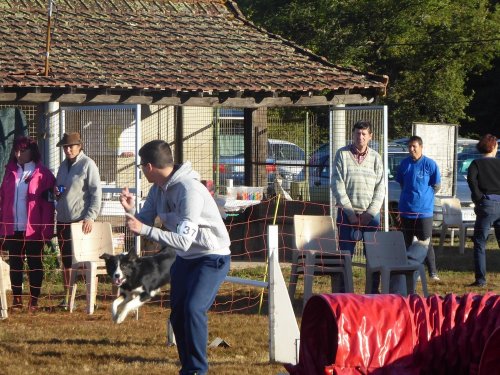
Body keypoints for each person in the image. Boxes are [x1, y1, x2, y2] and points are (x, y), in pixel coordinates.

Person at [120, 140, 231, 375]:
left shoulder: (189, 191)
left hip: (211, 257)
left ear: (149, 166)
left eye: (141, 166)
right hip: (185, 258)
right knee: (178, 314)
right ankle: (188, 368)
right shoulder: (157, 188)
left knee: (193, 309)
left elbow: (182, 240)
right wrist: (131, 211)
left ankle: (198, 370)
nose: (141, 170)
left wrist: (144, 229)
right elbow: (145, 221)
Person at [0, 136, 56, 311]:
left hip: (34, 229)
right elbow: (3, 200)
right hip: (13, 227)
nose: (18, 154)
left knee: (34, 264)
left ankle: (34, 301)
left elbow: (50, 202)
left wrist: (46, 229)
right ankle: (17, 300)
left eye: (23, 150)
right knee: (15, 264)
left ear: (32, 151)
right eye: (16, 150)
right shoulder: (9, 172)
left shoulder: (43, 174)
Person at [332, 120, 385, 292]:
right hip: (347, 214)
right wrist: (350, 213)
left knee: (374, 257)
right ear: (352, 134)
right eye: (357, 133)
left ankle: (372, 293)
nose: (360, 137)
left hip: (371, 215)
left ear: (370, 136)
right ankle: (344, 294)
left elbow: (381, 188)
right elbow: (337, 185)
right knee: (345, 256)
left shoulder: (377, 158)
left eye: (364, 134)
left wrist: (370, 213)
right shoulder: (342, 155)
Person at [54, 132, 102, 307]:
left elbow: (96, 193)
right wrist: (57, 193)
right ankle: (68, 299)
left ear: (79, 146)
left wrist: (90, 217)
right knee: (66, 261)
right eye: (65, 147)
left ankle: (92, 299)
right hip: (63, 221)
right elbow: (60, 189)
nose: (68, 149)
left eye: (71, 146)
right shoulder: (62, 166)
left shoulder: (88, 164)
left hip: (81, 222)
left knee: (87, 263)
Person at [396, 136, 441, 281]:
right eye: (409, 146)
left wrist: (425, 197)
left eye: (414, 146)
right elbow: (402, 184)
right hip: (406, 210)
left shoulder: (430, 164)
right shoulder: (404, 164)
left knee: (425, 242)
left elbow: (436, 185)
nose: (411, 149)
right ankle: (409, 270)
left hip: (424, 212)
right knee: (407, 242)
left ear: (421, 147)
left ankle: (432, 272)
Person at [467, 134, 500, 287]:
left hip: (487, 205)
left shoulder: (476, 164)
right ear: (493, 147)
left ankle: (481, 279)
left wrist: (479, 198)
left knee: (480, 242)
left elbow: (472, 182)